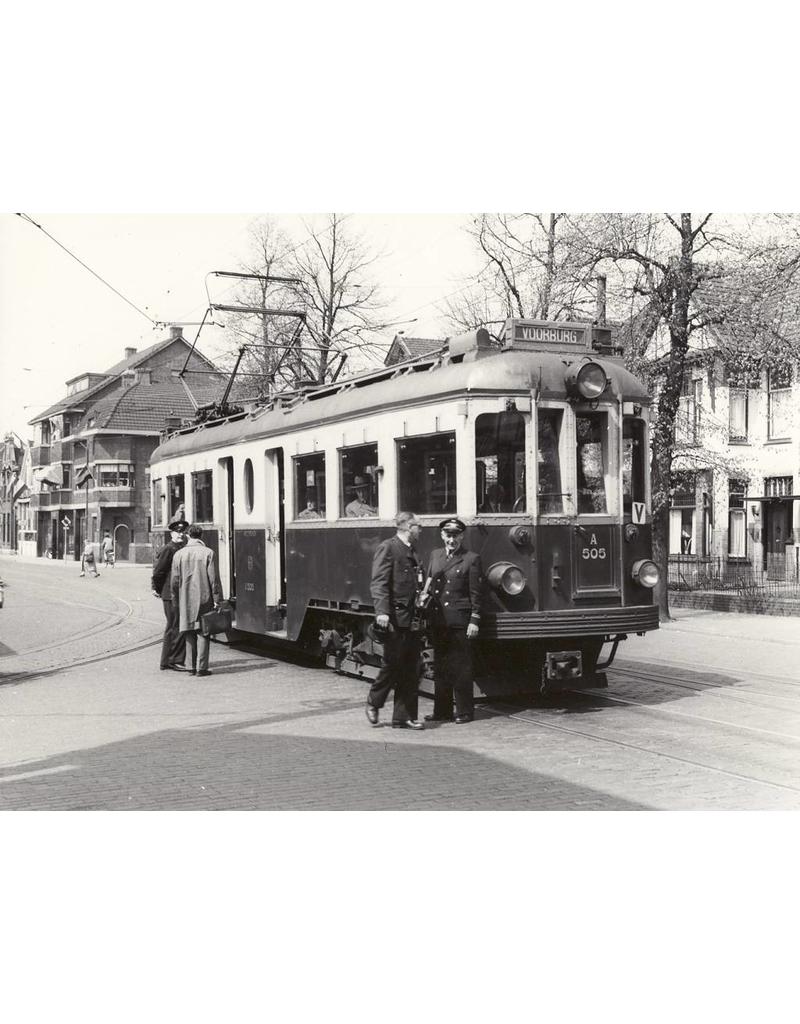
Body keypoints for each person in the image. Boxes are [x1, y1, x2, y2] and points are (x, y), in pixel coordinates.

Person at [365, 511, 425, 730]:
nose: (421, 529)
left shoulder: (412, 550)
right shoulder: (388, 547)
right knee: (392, 663)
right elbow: (379, 582)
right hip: (395, 617)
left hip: (413, 618)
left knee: (412, 666)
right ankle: (374, 701)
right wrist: (382, 612)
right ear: (409, 527)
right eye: (419, 526)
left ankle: (403, 717)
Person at [424, 517, 484, 724]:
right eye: (448, 535)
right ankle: (442, 711)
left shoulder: (471, 559)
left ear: (462, 536)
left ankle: (465, 711)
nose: (452, 540)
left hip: (460, 619)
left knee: (461, 667)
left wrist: (474, 620)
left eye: (455, 536)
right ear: (442, 536)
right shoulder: (435, 555)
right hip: (439, 619)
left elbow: (476, 594)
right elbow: (429, 583)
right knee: (441, 666)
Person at [170, 523, 223, 677]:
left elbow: (174, 580)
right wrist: (217, 600)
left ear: (188, 535)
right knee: (203, 632)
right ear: (201, 536)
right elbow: (214, 580)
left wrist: (175, 598)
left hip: (185, 598)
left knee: (188, 630)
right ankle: (201, 668)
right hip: (204, 597)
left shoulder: (178, 554)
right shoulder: (208, 553)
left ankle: (190, 667)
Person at [151, 518, 189, 671]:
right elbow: (159, 571)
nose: (181, 535)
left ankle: (167, 661)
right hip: (170, 593)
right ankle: (174, 660)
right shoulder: (169, 548)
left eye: (183, 532)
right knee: (176, 626)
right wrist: (156, 588)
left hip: (174, 592)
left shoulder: (181, 547)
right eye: (178, 532)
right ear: (172, 533)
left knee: (173, 626)